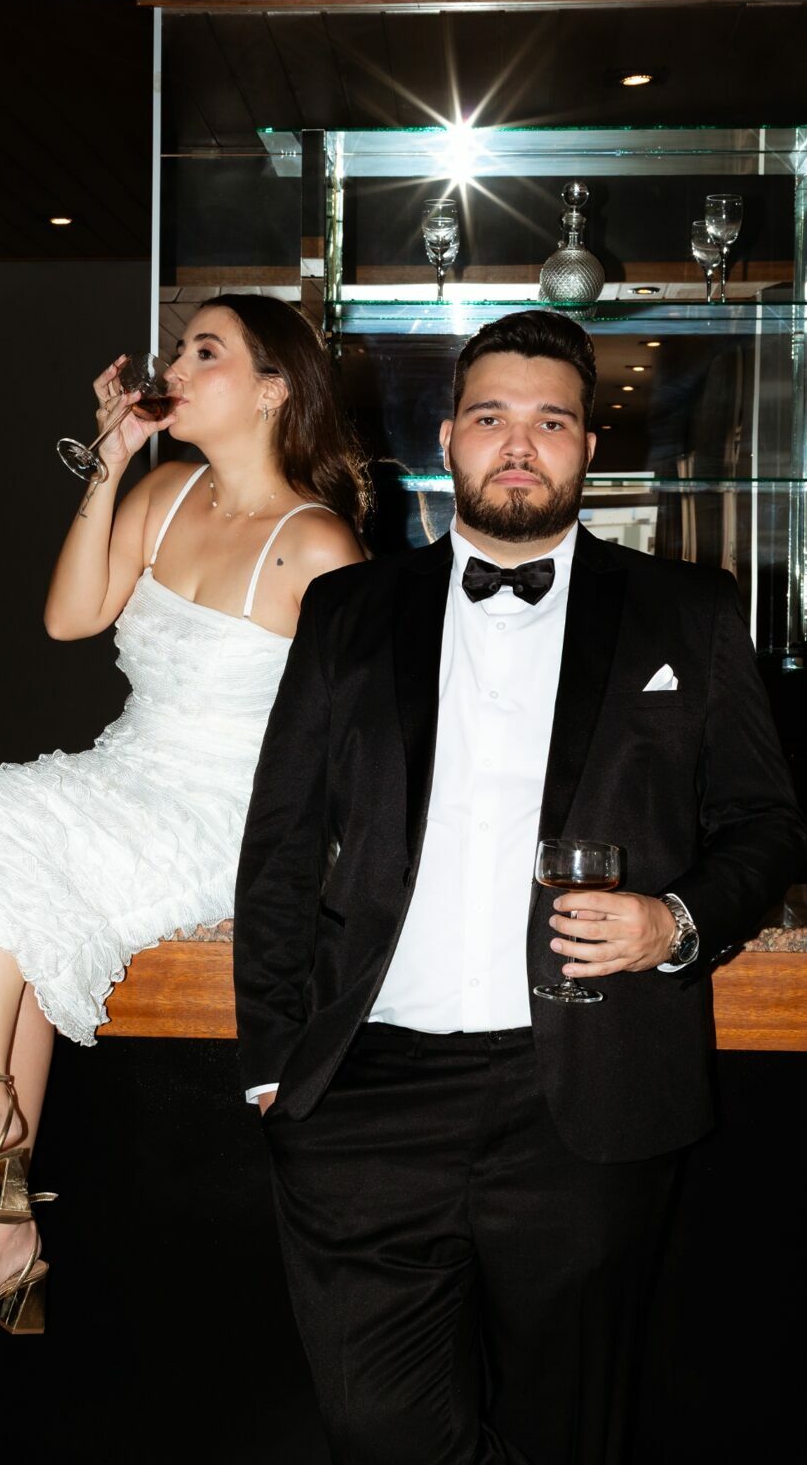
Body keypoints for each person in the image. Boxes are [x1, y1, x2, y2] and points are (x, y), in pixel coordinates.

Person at [233, 308, 806, 1463]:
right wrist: (271, 1059)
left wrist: (673, 919)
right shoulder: (348, 609)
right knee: (375, 1425)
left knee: (565, 1427)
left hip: (590, 1099)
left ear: (587, 447)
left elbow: (766, 823)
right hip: (366, 1093)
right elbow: (280, 839)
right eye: (489, 416)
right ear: (446, 437)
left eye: (549, 422)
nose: (517, 443)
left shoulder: (686, 611)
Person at [0, 293, 367, 1341]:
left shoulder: (320, 545)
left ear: (273, 390)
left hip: (226, 816)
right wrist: (109, 462)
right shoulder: (165, 492)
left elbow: (357, 745)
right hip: (126, 776)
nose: (173, 366)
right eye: (179, 348)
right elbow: (68, 617)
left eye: (204, 351)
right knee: (14, 870)